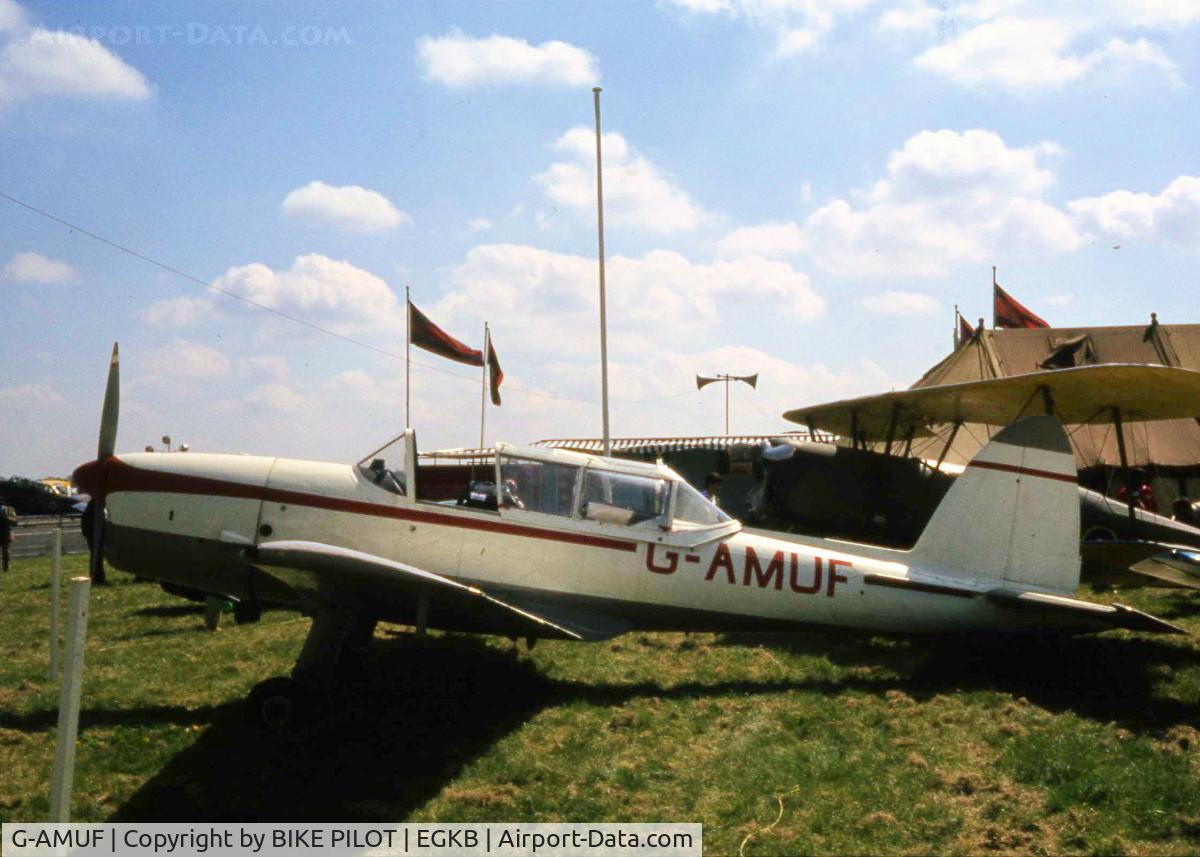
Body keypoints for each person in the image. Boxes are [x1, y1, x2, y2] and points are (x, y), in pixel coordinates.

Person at [0, 504, 14, 572]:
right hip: (5, 533)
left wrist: (9, 519)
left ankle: (6, 568)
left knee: (6, 552)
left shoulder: (9, 509)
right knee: (6, 551)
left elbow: (15, 522)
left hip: (6, 534)